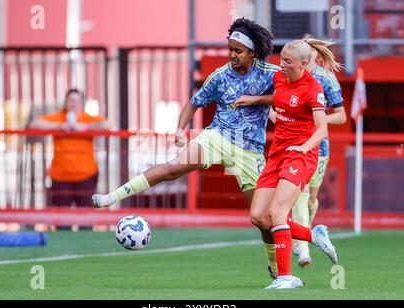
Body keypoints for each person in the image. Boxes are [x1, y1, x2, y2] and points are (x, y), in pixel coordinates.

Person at [92, 18, 283, 276]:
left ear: (252, 52)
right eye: (230, 49)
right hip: (218, 137)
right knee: (174, 167)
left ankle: (276, 267)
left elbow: (288, 94)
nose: (232, 54)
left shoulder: (270, 74)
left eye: (238, 50)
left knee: (262, 219)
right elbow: (194, 103)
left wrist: (258, 99)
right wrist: (180, 129)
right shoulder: (220, 75)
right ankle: (110, 198)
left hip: (249, 149)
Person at [235, 37, 347, 268]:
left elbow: (322, 129)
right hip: (278, 154)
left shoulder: (314, 88)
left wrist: (304, 147)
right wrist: (256, 100)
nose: (282, 64)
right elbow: (281, 98)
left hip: (301, 155)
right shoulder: (279, 77)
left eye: (288, 61)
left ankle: (286, 275)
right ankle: (313, 237)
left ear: (304, 63)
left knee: (280, 210)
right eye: (282, 59)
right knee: (259, 216)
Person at [30, 89, 110, 207]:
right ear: (66, 102)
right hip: (60, 177)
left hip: (86, 176)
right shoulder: (59, 117)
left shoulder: (87, 118)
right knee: (62, 219)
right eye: (71, 100)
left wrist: (85, 127)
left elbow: (107, 125)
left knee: (86, 217)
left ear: (82, 103)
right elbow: (35, 124)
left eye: (77, 101)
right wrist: (60, 126)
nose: (74, 104)